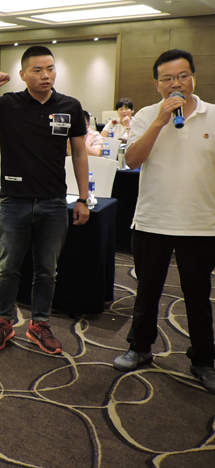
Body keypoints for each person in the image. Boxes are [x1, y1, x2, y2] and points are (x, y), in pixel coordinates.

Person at [0, 45, 90, 355]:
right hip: (14, 202)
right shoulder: (7, 104)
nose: (45, 75)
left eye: (50, 69)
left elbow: (79, 153)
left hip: (54, 202)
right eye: (37, 70)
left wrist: (83, 198)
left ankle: (40, 324)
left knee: (47, 270)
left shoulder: (70, 106)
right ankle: (2, 321)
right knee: (7, 268)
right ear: (22, 74)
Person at [112, 49, 215, 393]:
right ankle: (140, 347)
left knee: (198, 295)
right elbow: (132, 160)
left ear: (194, 78)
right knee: (147, 290)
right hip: (153, 220)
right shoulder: (145, 116)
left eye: (183, 76)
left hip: (200, 223)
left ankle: (203, 360)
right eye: (168, 78)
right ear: (157, 84)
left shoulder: (213, 116)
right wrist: (160, 121)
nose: (176, 84)